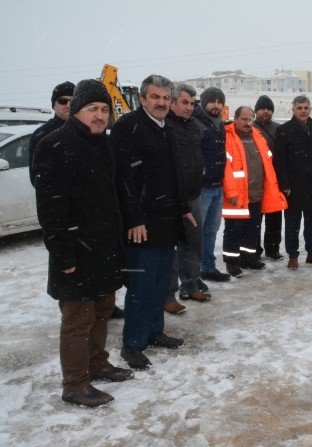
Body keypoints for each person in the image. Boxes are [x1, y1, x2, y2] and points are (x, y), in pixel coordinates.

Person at [34, 79, 133, 408]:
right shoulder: (54, 144)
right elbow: (51, 209)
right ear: (76, 110)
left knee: (103, 310)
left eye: (105, 110)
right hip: (75, 250)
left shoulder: (102, 144)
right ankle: (75, 384)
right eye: (93, 108)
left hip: (103, 248)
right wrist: (63, 255)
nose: (100, 115)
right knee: (78, 319)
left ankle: (97, 363)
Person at [112, 75, 196, 371]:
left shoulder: (166, 128)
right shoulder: (128, 128)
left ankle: (153, 332)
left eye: (165, 98)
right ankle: (132, 344)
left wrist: (184, 207)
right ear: (143, 99)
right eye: (155, 97)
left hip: (166, 220)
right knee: (141, 285)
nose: (161, 102)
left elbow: (174, 174)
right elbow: (124, 179)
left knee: (161, 281)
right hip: (141, 225)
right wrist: (134, 219)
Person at [221, 106, 287, 277]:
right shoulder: (228, 137)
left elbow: (268, 163)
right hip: (237, 194)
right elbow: (226, 168)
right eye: (244, 119)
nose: (248, 123)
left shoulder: (257, 136)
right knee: (234, 230)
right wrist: (231, 191)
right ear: (235, 119)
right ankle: (232, 263)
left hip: (257, 192)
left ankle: (248, 258)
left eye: (250, 119)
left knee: (252, 229)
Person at [163, 83, 210, 315]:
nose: (189, 108)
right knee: (170, 248)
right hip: (171, 197)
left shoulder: (195, 127)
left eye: (192, 104)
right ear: (172, 102)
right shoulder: (165, 126)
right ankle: (169, 294)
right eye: (184, 102)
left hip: (193, 195)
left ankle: (190, 285)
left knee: (193, 242)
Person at [273, 95, 312, 270]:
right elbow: (279, 160)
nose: (303, 111)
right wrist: (284, 184)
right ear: (293, 110)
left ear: (310, 109)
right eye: (299, 108)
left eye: (306, 107)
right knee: (293, 223)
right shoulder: (284, 129)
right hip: (293, 185)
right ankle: (293, 255)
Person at [191, 87, 230, 284]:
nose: (216, 105)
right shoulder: (196, 122)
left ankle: (208, 267)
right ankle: (193, 275)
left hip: (217, 185)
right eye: (212, 101)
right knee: (197, 233)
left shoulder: (218, 124)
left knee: (211, 230)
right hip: (202, 188)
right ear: (203, 102)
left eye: (219, 102)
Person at [253, 95, 283, 260]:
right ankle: (255, 249)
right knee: (255, 218)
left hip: (274, 180)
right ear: (256, 110)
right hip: (256, 179)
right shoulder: (250, 128)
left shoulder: (279, 128)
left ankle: (273, 249)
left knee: (274, 217)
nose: (266, 111)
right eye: (262, 108)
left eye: (269, 108)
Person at [28, 81, 75, 186]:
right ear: (54, 105)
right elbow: (37, 179)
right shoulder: (41, 135)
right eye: (62, 101)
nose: (68, 105)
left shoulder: (89, 131)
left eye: (73, 101)